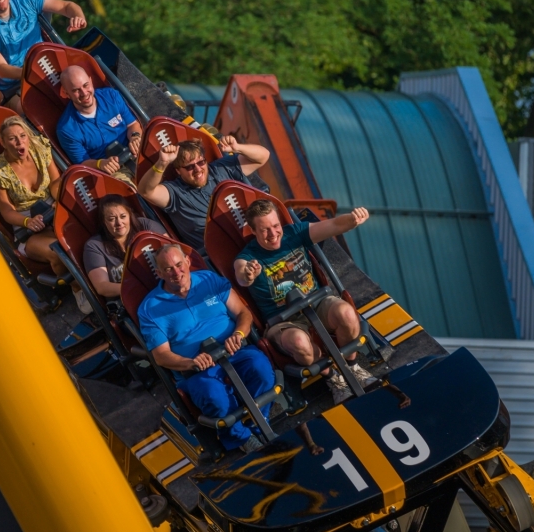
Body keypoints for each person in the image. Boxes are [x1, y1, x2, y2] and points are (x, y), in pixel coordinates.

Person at [138, 244, 276, 453]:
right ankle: (240, 438)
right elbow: (161, 355)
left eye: (178, 264)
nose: (176, 272)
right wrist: (190, 363)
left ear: (188, 261)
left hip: (234, 350)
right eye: (168, 269)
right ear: (159, 273)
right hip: (198, 368)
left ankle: (257, 422)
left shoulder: (209, 279)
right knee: (214, 396)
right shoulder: (149, 308)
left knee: (261, 369)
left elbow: (242, 313)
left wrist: (238, 335)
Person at [234, 199, 370, 401]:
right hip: (283, 321)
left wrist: (353, 220)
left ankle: (352, 366)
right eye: (264, 230)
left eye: (275, 226)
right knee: (298, 341)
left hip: (317, 303)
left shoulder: (295, 233)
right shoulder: (246, 257)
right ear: (253, 231)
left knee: (347, 313)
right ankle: (334, 378)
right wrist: (249, 274)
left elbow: (334, 225)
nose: (273, 234)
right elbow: (241, 275)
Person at [137, 136, 270, 251]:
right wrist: (162, 163)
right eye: (189, 167)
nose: (197, 169)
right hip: (219, 255)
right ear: (178, 171)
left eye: (201, 162)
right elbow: (146, 191)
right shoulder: (175, 192)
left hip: (253, 238)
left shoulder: (220, 169)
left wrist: (238, 147)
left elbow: (263, 156)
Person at [0, 116, 64, 276]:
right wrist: (28, 222)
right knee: (58, 253)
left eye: (22, 136)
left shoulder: (39, 149)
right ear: (3, 143)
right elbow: (7, 211)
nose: (19, 142)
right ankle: (79, 293)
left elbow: (55, 181)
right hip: (28, 229)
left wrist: (60, 199)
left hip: (54, 212)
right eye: (12, 139)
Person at [56, 66, 142, 183]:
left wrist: (135, 137)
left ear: (91, 81)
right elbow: (82, 164)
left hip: (135, 153)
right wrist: (100, 164)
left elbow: (132, 125)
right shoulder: (66, 129)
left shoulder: (111, 96)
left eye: (86, 85)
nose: (84, 93)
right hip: (111, 170)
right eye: (76, 90)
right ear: (65, 93)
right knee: (126, 190)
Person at [84, 194, 167, 298]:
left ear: (130, 214)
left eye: (123, 216)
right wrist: (139, 288)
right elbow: (102, 287)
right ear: (103, 221)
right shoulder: (94, 246)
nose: (119, 223)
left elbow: (173, 251)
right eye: (111, 219)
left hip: (166, 286)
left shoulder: (145, 226)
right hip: (133, 298)